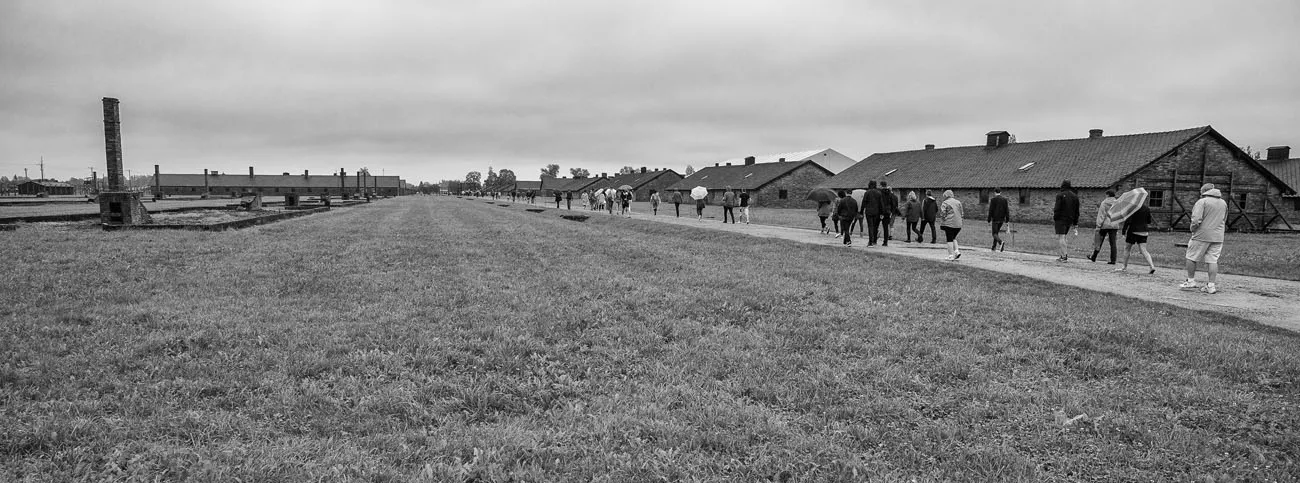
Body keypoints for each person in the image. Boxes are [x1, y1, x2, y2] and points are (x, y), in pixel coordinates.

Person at [1180, 183, 1228, 294]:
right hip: (1218, 235)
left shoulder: (1202, 202)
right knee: (1212, 260)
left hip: (1202, 234)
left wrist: (1193, 228)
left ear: (1204, 191)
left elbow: (1196, 219)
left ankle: (1190, 281)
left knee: (1191, 256)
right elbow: (1224, 219)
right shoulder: (1223, 203)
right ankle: (1211, 285)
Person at [1117, 203, 1156, 274]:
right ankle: (1152, 266)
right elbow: (1149, 221)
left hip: (1133, 230)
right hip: (1144, 231)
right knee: (1144, 250)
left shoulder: (1132, 208)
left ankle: (1124, 267)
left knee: (1127, 248)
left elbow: (1128, 221)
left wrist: (1123, 231)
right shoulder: (1146, 208)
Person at [1089, 190, 1120, 263]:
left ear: (1108, 195)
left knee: (1099, 240)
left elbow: (1101, 215)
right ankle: (1113, 260)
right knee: (1113, 243)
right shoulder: (1117, 203)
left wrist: (1098, 225)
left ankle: (1094, 256)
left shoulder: (1104, 203)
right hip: (1114, 224)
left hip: (1105, 224)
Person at [1053, 180, 1081, 262]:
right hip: (1070, 219)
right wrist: (1075, 222)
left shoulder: (1060, 195)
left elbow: (1057, 208)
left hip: (1060, 219)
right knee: (1064, 236)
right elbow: (1077, 211)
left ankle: (1064, 256)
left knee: (1061, 237)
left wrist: (1055, 217)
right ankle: (1063, 255)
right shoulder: (1075, 196)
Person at [938, 190, 964, 260]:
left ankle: (950, 255)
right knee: (953, 238)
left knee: (949, 239)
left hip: (949, 223)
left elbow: (943, 213)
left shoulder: (945, 203)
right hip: (958, 224)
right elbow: (962, 213)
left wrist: (943, 219)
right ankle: (957, 251)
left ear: (945, 196)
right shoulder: (958, 202)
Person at [860, 180, 883, 246]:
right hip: (876, 212)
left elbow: (863, 202)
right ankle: (874, 240)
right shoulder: (879, 193)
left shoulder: (867, 193)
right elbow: (881, 204)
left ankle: (870, 242)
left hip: (869, 211)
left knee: (870, 226)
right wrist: (881, 212)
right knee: (875, 226)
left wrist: (861, 211)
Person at [987, 187, 1010, 251]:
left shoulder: (993, 200)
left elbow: (991, 210)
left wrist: (989, 219)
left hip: (995, 219)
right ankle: (993, 247)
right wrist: (1007, 219)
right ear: (1000, 192)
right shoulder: (1004, 200)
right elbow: (1007, 210)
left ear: (995, 192)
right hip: (1002, 219)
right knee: (996, 233)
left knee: (994, 234)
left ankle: (1000, 242)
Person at [880, 181, 899, 245]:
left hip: (886, 211)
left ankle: (881, 236)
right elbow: (895, 205)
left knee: (885, 225)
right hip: (891, 212)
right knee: (890, 224)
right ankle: (890, 236)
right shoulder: (895, 197)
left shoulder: (883, 194)